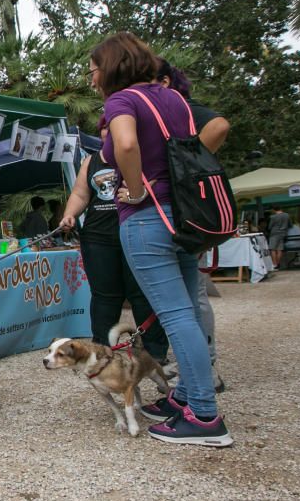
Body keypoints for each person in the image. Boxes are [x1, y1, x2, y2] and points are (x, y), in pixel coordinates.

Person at [91, 32, 232, 446]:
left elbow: (127, 143)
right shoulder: (173, 99)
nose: (92, 77)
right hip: (184, 216)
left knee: (174, 314)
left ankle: (204, 417)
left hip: (147, 218)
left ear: (112, 68)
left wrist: (135, 189)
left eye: (94, 69)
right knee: (186, 306)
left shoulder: (121, 101)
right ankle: (185, 396)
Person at [59, 117, 169, 362]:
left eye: (114, 125)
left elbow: (158, 184)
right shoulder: (91, 160)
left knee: (142, 293)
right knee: (104, 297)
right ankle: (101, 351)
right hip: (98, 236)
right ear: (101, 132)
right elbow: (79, 193)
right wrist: (69, 215)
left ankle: (154, 352)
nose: (110, 131)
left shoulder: (142, 153)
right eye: (105, 127)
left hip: (135, 230)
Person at [156, 59, 229, 391]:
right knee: (182, 295)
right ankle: (191, 362)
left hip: (192, 212)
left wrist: (188, 167)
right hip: (176, 214)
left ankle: (206, 365)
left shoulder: (182, 106)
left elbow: (218, 126)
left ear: (166, 81)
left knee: (194, 293)